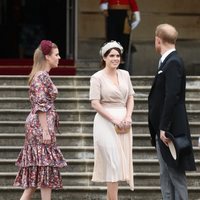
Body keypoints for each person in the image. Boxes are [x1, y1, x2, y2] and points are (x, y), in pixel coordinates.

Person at [13, 40, 67, 200]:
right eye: (56, 55)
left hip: (40, 125)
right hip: (39, 127)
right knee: (44, 173)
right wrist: (45, 130)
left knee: (39, 177)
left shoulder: (41, 76)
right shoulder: (41, 76)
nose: (59, 57)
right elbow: (41, 105)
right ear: (47, 57)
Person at [148, 24, 196, 200]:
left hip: (169, 131)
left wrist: (163, 127)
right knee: (165, 175)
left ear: (158, 40)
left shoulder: (173, 62)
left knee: (176, 175)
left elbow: (172, 96)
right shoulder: (167, 61)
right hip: (164, 129)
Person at [89, 40, 135, 200]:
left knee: (119, 165)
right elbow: (95, 103)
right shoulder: (96, 77)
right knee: (113, 164)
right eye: (111, 56)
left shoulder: (125, 74)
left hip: (124, 122)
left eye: (117, 55)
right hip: (105, 122)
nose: (115, 58)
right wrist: (114, 119)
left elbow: (130, 97)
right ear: (104, 57)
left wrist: (128, 116)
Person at [99, 0, 140, 70]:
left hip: (124, 16)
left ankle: (121, 63)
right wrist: (104, 8)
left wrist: (137, 18)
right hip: (112, 15)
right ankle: (110, 62)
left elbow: (133, 4)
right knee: (111, 40)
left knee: (123, 40)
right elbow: (103, 2)